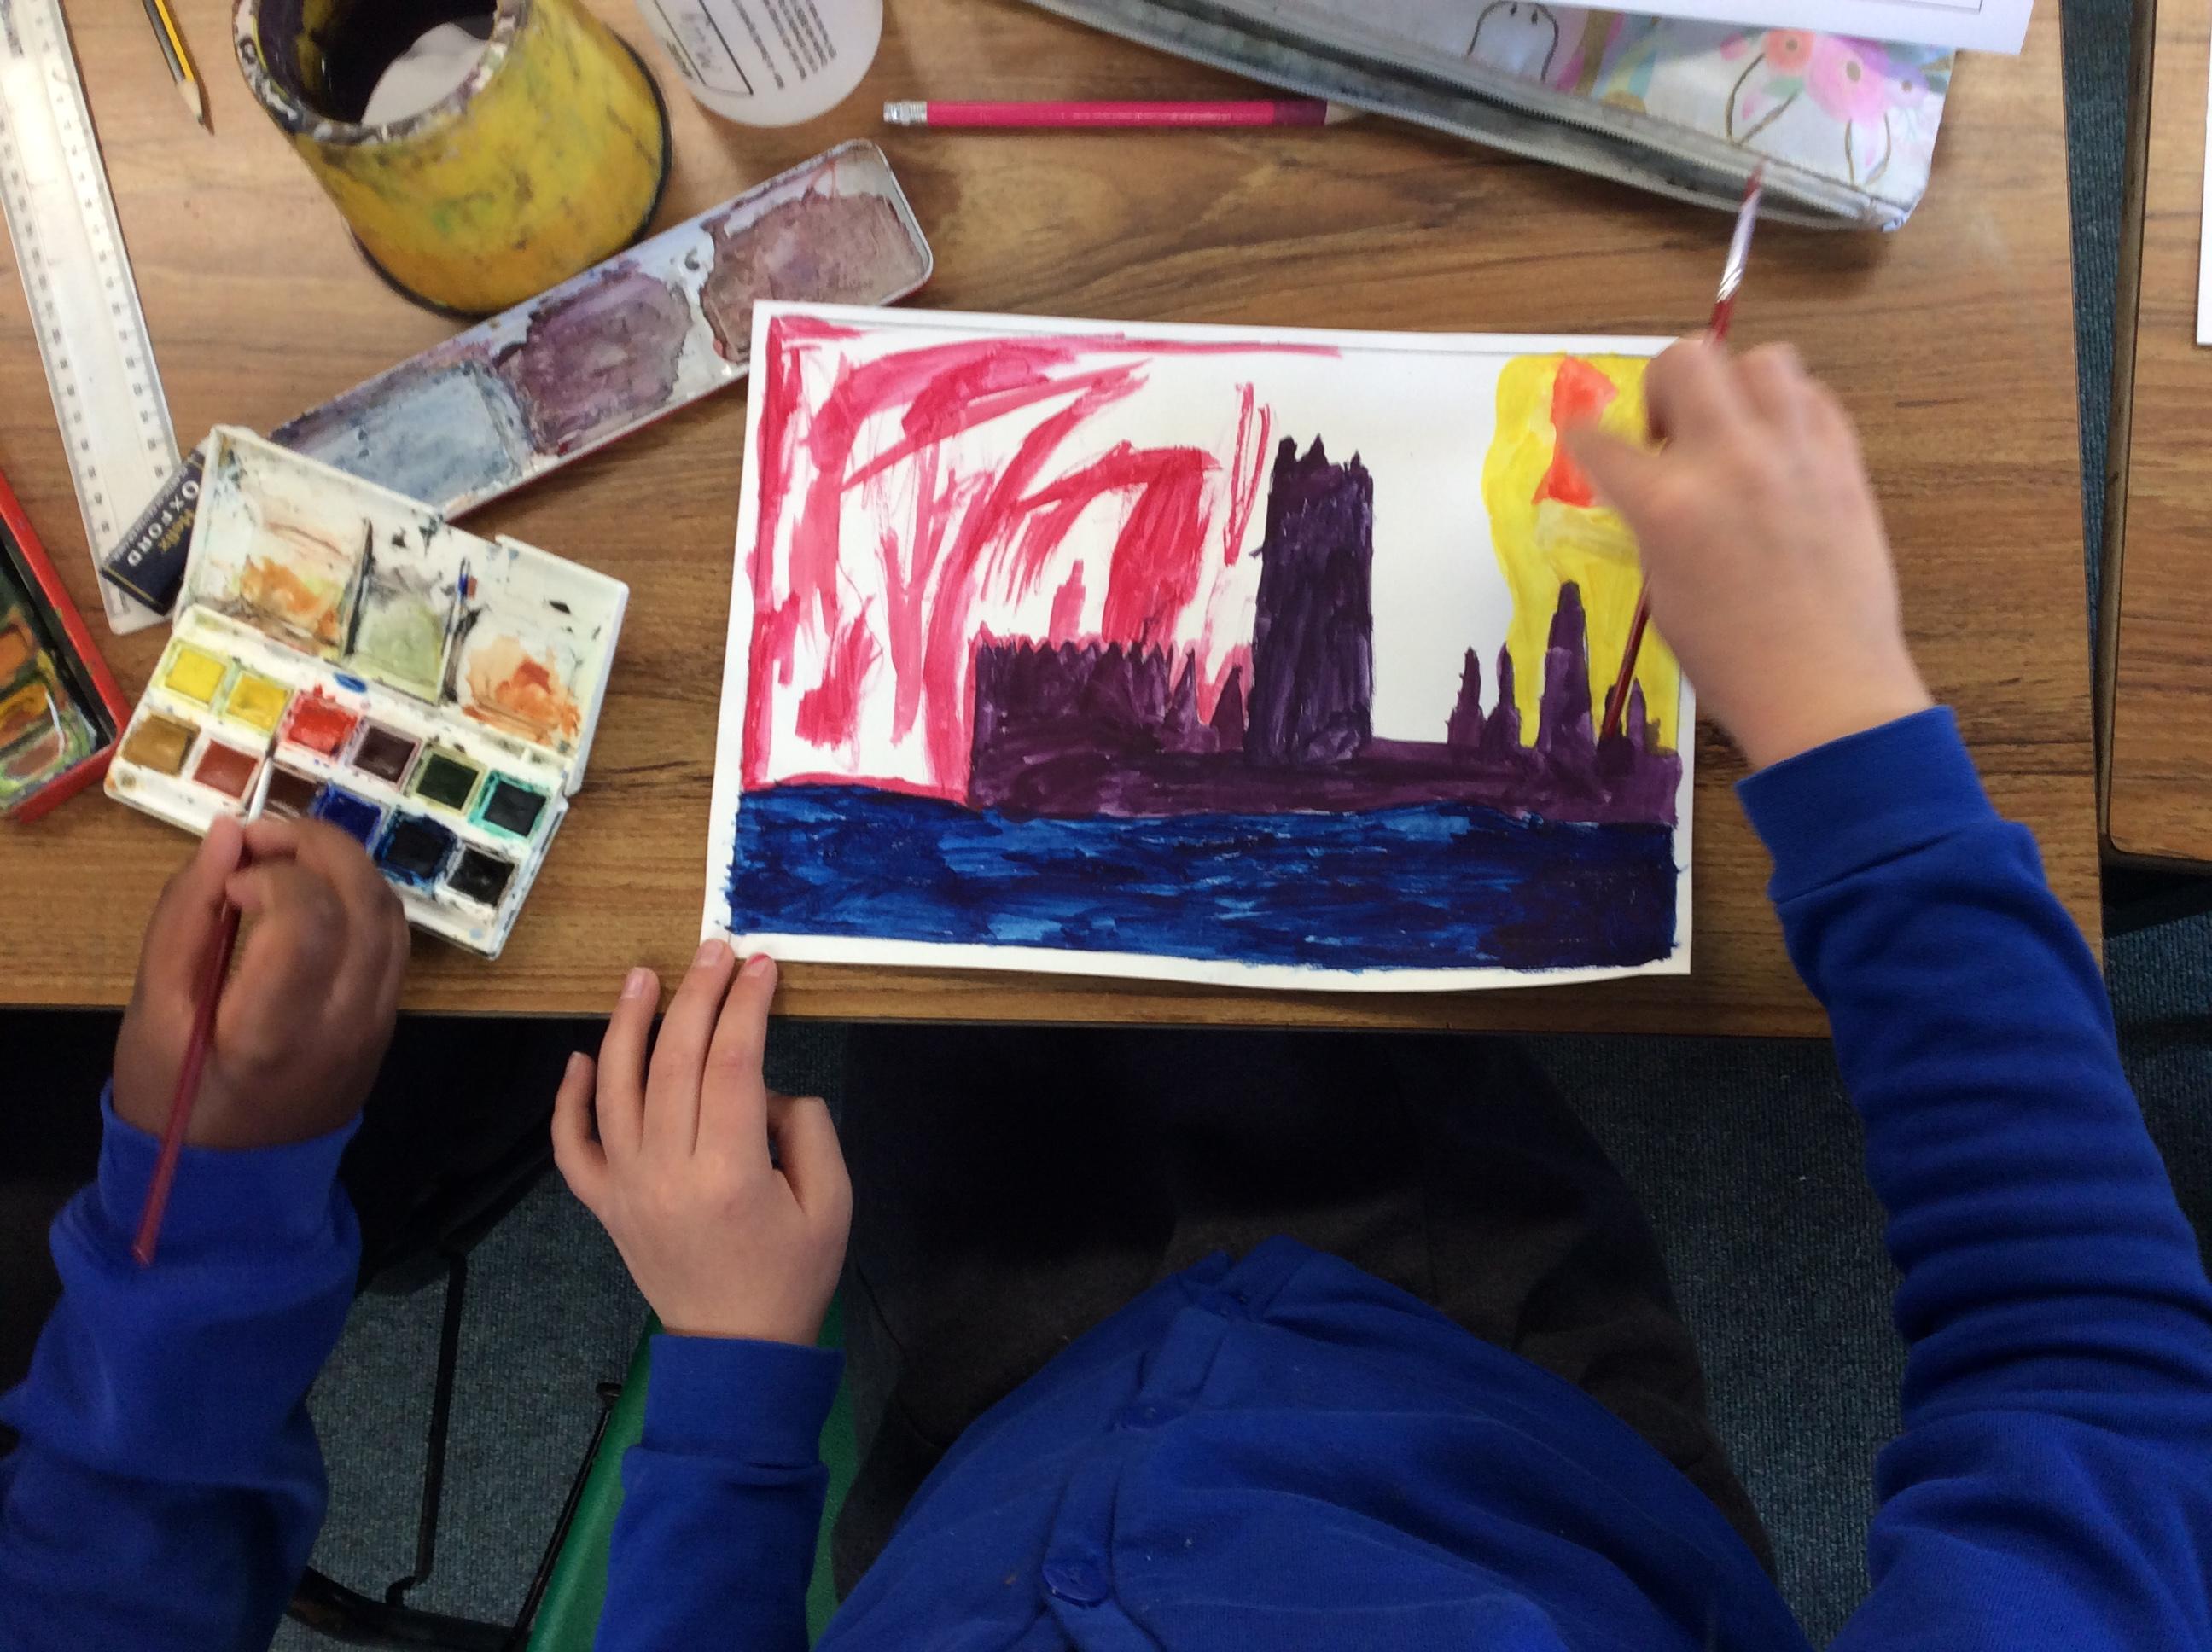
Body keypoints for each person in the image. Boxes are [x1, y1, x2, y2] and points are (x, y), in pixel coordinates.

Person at [3, 338, 2209, 1650]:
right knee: (1361, 1044)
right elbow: (2094, 1390)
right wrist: (1845, 729)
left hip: (983, 1442)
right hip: (1506, 1409)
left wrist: (733, 1380)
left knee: (982, 1070)